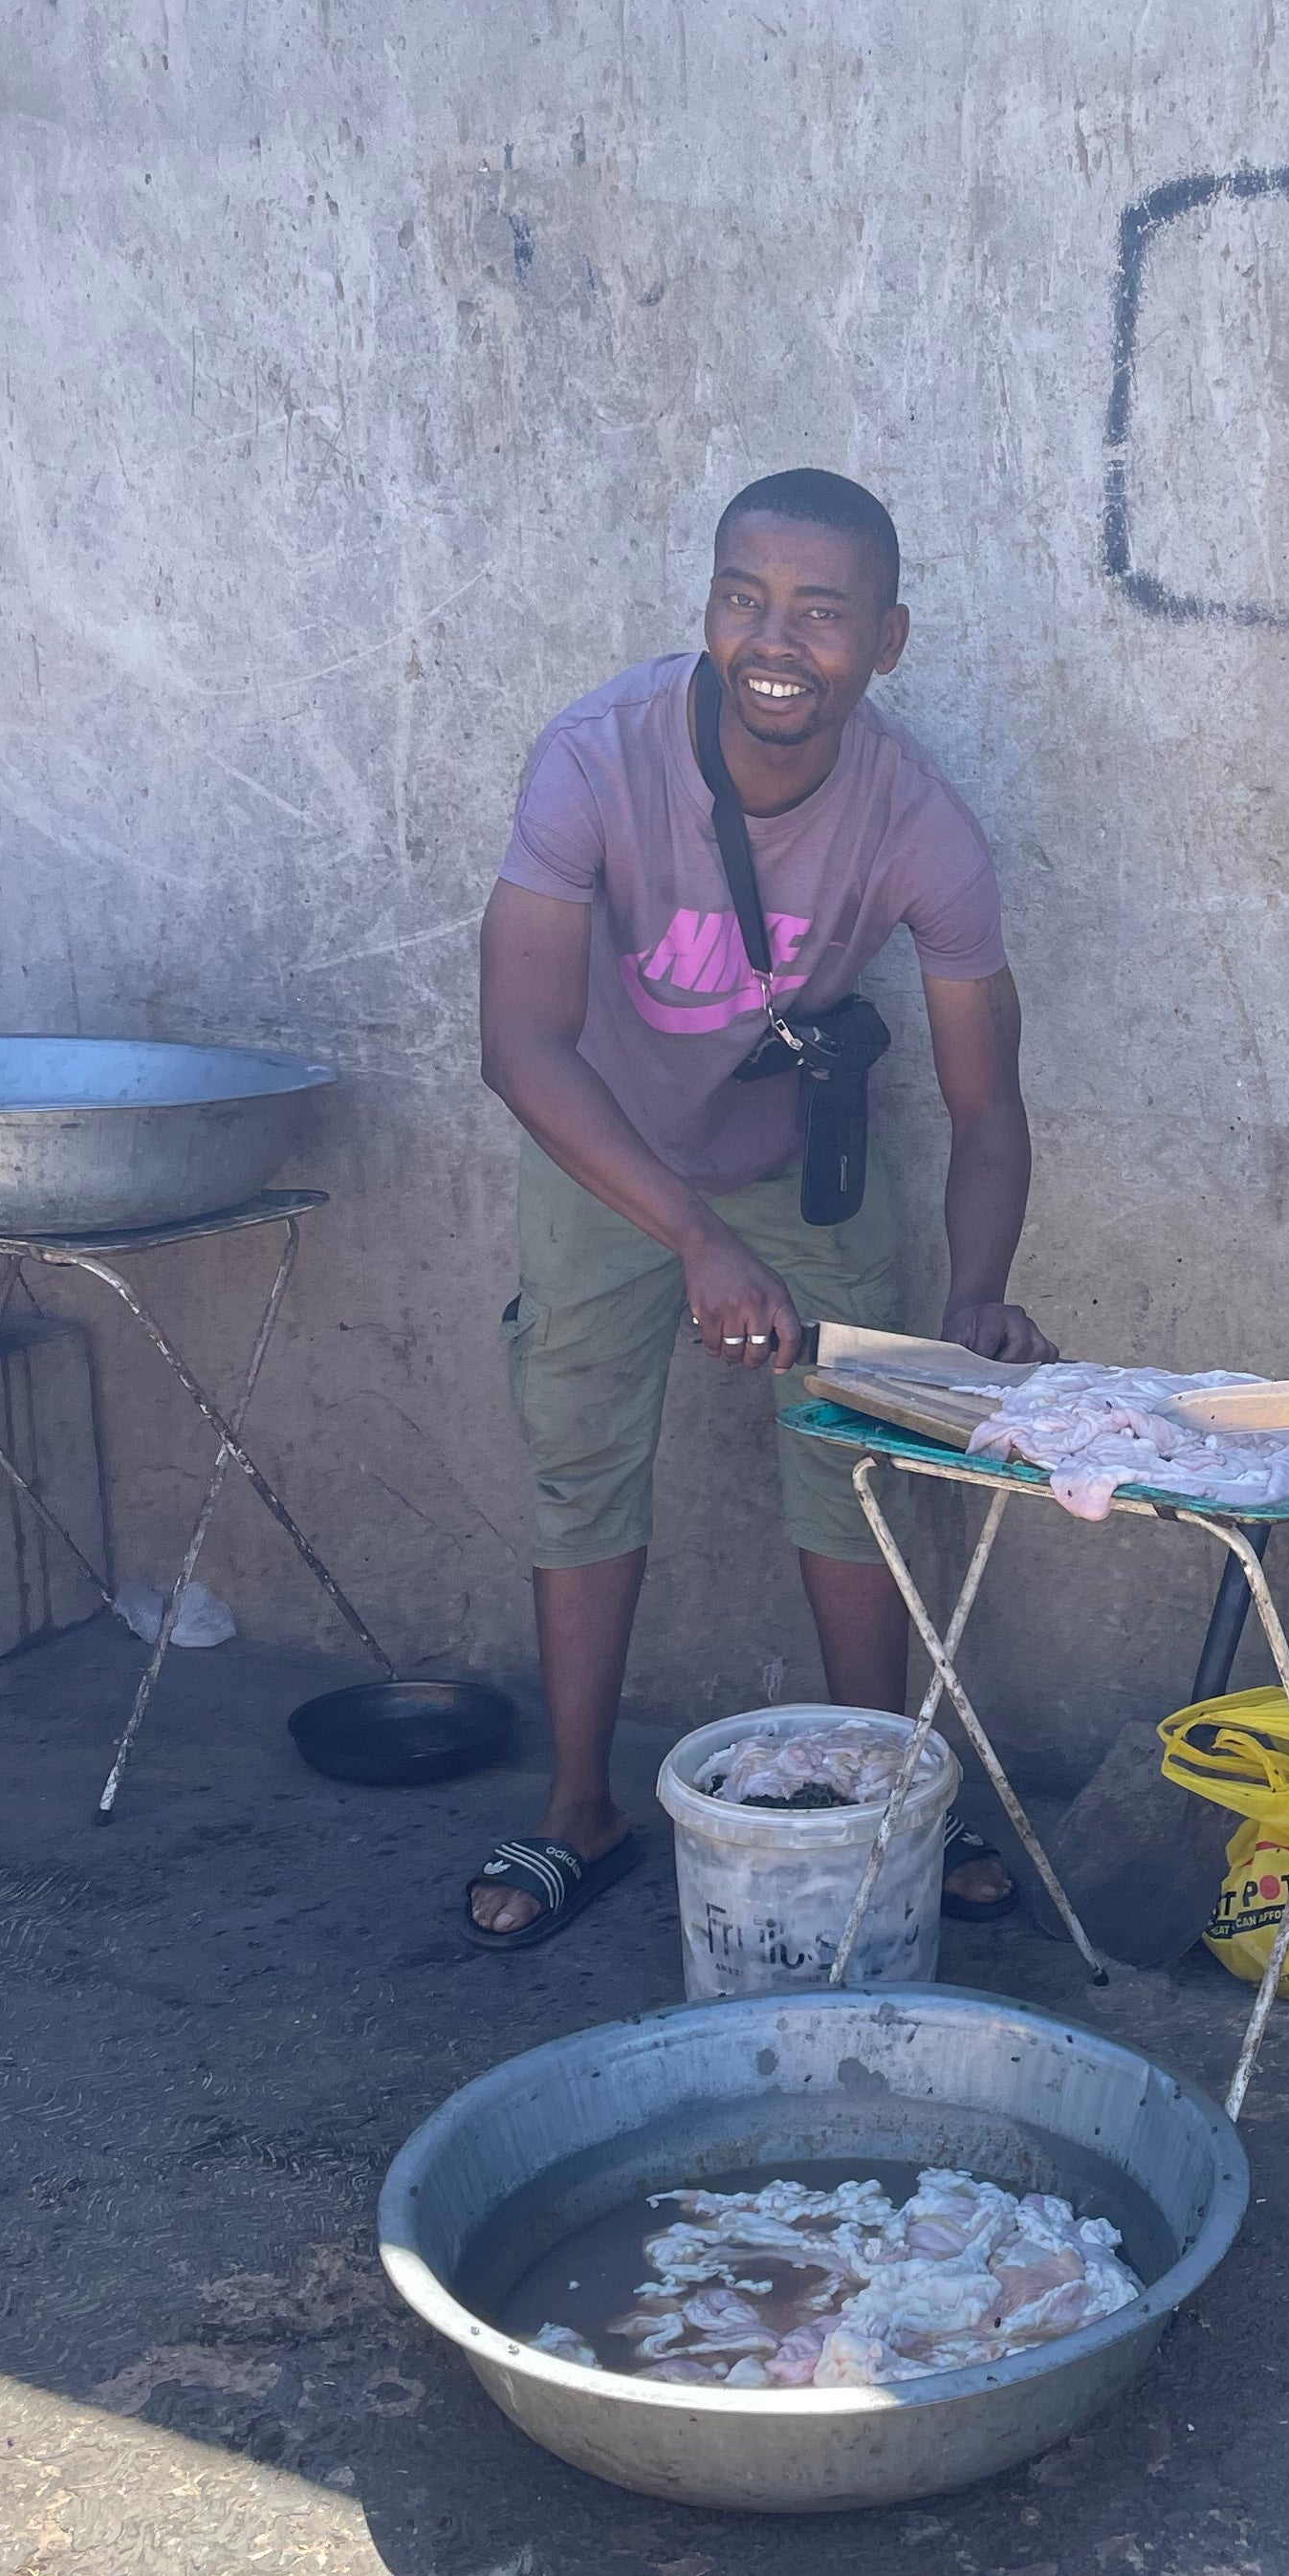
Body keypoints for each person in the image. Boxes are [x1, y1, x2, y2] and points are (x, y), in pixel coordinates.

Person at [468, 466, 1050, 1946]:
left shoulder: (921, 821)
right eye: (746, 598)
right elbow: (519, 1043)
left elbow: (987, 1108)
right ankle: (574, 1811)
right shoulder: (594, 757)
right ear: (710, 607)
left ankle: (889, 1796)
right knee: (577, 1455)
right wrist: (693, 1239)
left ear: (889, 640)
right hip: (599, 1144)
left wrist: (978, 1294)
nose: (774, 639)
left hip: (795, 1163)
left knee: (851, 1457)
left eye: (821, 612)